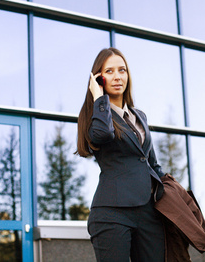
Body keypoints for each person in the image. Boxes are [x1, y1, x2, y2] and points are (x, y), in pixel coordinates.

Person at [76, 47, 166, 262]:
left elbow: (151, 163)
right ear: (98, 78)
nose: (117, 76)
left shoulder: (139, 116)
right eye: (109, 72)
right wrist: (99, 99)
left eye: (122, 70)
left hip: (148, 212)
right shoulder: (95, 116)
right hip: (112, 213)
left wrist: (173, 192)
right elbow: (103, 134)